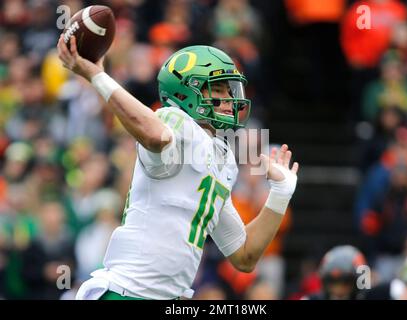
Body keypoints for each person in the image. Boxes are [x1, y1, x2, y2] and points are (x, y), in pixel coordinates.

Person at [57, 35, 299, 300]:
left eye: (230, 90)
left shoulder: (222, 157)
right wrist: (97, 76)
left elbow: (244, 256)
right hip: (128, 292)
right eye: (218, 89)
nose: (230, 98)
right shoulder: (174, 119)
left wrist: (280, 192)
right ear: (186, 91)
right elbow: (154, 136)